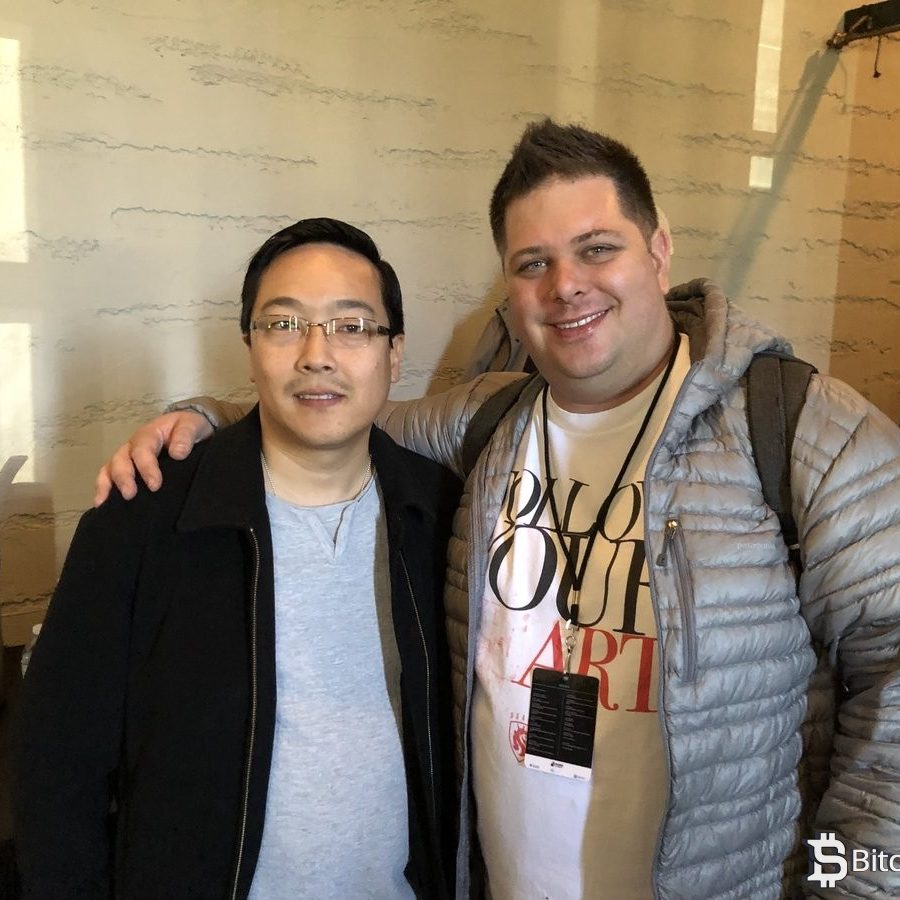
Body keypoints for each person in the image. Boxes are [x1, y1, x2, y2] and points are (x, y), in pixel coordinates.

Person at [95, 121, 900, 899]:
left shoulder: (803, 430)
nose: (566, 285)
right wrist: (204, 418)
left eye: (598, 248)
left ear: (659, 250)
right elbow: (333, 413)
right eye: (533, 263)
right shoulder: (482, 421)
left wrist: (855, 886)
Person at [15, 218, 460, 898]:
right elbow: (56, 763)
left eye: (351, 326)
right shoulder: (144, 514)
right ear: (250, 348)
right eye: (284, 325)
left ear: (393, 354)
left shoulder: (444, 512)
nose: (316, 355)